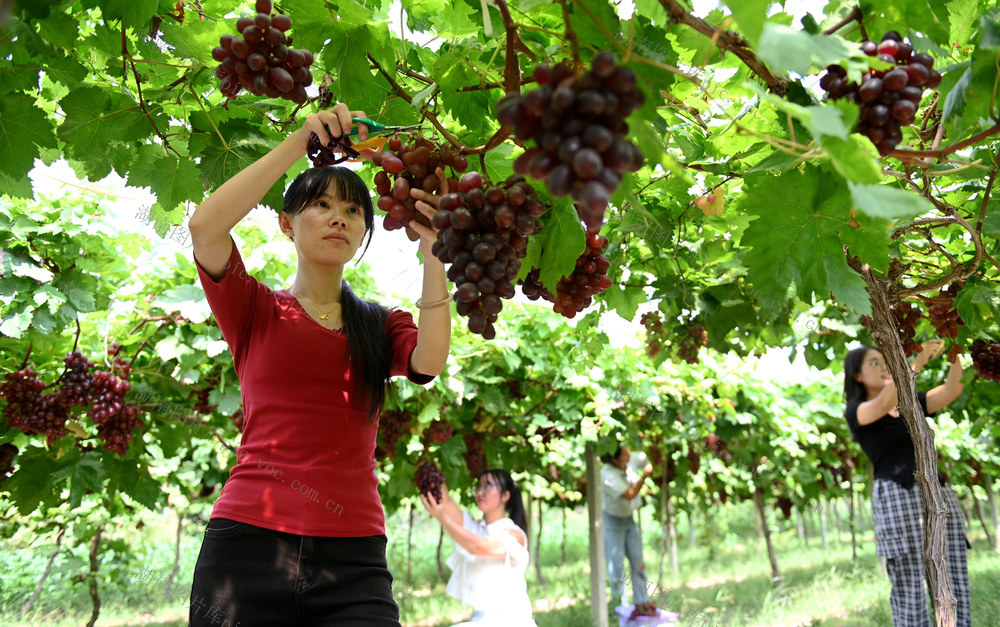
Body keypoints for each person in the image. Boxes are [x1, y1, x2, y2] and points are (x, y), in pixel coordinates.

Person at [186, 103, 452, 626]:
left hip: (352, 557)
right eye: (322, 204)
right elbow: (205, 227)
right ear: (287, 224)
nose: (339, 217)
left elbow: (430, 359)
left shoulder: (379, 324)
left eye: (354, 211)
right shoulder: (254, 308)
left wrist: (435, 258)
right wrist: (298, 144)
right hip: (247, 546)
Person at [843, 339, 970, 626]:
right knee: (909, 578)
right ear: (857, 376)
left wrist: (954, 350)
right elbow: (887, 399)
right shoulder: (857, 410)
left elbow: (952, 390)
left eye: (885, 360)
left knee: (953, 570)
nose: (884, 365)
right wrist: (918, 360)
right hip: (897, 496)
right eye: (874, 362)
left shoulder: (910, 403)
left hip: (938, 492)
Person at [419, 469, 536, 626]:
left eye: (488, 486)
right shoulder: (475, 528)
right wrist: (430, 467)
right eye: (478, 487)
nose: (480, 492)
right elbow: (446, 503)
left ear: (505, 495)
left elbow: (479, 547)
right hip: (481, 619)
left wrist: (444, 520)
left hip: (511, 620)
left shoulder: (515, 535)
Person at [601, 444, 653, 609]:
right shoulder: (607, 474)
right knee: (616, 565)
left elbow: (648, 456)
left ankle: (642, 603)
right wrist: (644, 476)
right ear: (614, 460)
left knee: (638, 561)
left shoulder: (629, 458)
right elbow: (629, 495)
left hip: (629, 519)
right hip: (612, 522)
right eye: (624, 454)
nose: (628, 455)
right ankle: (620, 607)